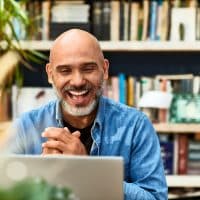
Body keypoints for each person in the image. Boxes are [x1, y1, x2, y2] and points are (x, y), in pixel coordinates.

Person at [4, 29, 167, 199]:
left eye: (88, 69)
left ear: (104, 69)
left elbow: (155, 198)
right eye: (65, 71)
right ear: (50, 74)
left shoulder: (136, 126)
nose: (77, 81)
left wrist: (86, 169)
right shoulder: (24, 128)